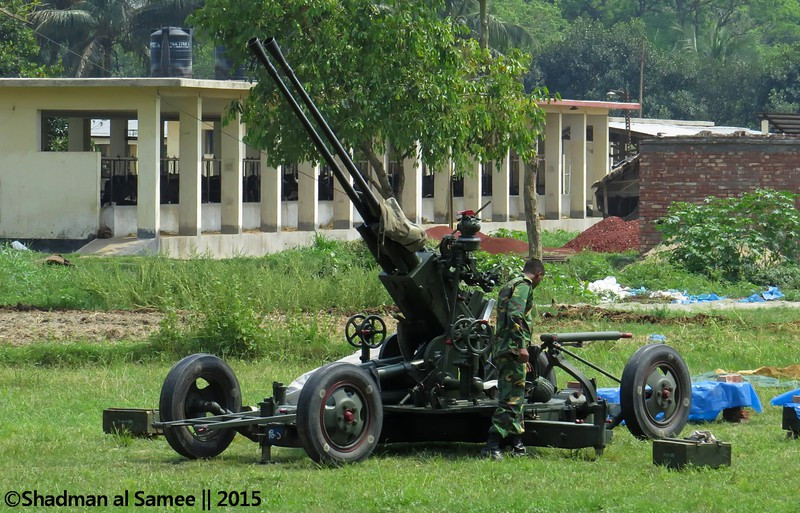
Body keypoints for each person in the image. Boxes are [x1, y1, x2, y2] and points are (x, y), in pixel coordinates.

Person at [482, 257, 545, 460]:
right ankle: (492, 445)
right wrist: (521, 347)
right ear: (538, 275)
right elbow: (515, 315)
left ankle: (517, 444)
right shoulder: (524, 286)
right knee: (511, 399)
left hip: (503, 347)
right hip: (512, 350)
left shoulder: (510, 284)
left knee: (516, 396)